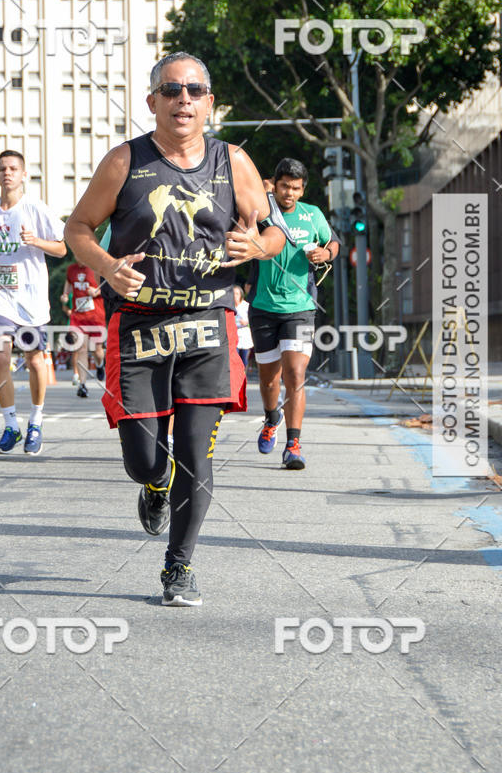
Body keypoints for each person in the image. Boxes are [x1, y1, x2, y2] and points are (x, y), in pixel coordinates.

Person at [65, 51, 286, 606]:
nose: (182, 99)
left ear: (209, 103)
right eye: (170, 90)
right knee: (143, 458)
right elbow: (78, 229)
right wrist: (107, 265)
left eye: (193, 90)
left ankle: (179, 566)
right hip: (139, 327)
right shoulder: (124, 161)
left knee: (195, 453)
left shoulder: (233, 162)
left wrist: (259, 246)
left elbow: (276, 230)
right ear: (152, 102)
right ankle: (154, 481)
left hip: (208, 324)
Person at [248, 157, 339, 470]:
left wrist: (325, 253)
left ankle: (293, 445)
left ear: (303, 190)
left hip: (300, 308)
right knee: (269, 380)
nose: (290, 193)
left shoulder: (312, 215)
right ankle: (271, 418)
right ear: (275, 185)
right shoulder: (262, 212)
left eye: (296, 188)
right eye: (285, 186)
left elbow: (333, 243)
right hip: (263, 308)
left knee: (295, 374)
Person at [0, 150, 66, 455]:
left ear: (24, 174)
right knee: (1, 357)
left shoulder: (35, 208)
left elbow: (62, 248)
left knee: (34, 360)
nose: (7, 173)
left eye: (13, 168)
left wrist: (36, 241)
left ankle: (36, 422)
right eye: (3, 168)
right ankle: (10, 426)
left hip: (30, 299)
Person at [60, 262, 106, 396]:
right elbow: (68, 286)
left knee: (97, 350)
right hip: (78, 317)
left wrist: (97, 292)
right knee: (81, 349)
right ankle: (82, 385)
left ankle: (100, 365)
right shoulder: (71, 269)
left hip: (96, 316)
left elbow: (110, 287)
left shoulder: (97, 266)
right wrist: (64, 295)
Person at [233, 284, 253, 370]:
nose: (235, 296)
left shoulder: (246, 306)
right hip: (234, 334)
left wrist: (246, 322)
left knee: (244, 359)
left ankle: (244, 374)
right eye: (233, 293)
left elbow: (253, 319)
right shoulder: (229, 307)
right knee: (234, 358)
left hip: (245, 335)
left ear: (241, 294)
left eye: (237, 294)